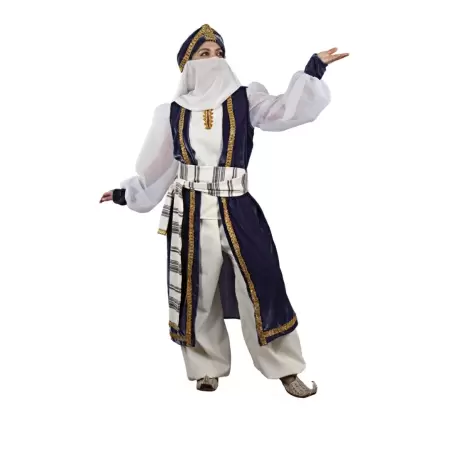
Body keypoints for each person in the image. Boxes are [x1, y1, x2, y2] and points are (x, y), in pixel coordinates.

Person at [100, 24, 348, 398]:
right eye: (204, 54)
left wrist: (314, 68)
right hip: (190, 210)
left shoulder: (246, 99)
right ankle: (206, 367)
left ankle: (285, 368)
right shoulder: (171, 113)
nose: (214, 59)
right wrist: (126, 195)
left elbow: (285, 110)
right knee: (197, 291)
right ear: (187, 65)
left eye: (219, 53)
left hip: (237, 207)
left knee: (263, 284)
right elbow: (159, 169)